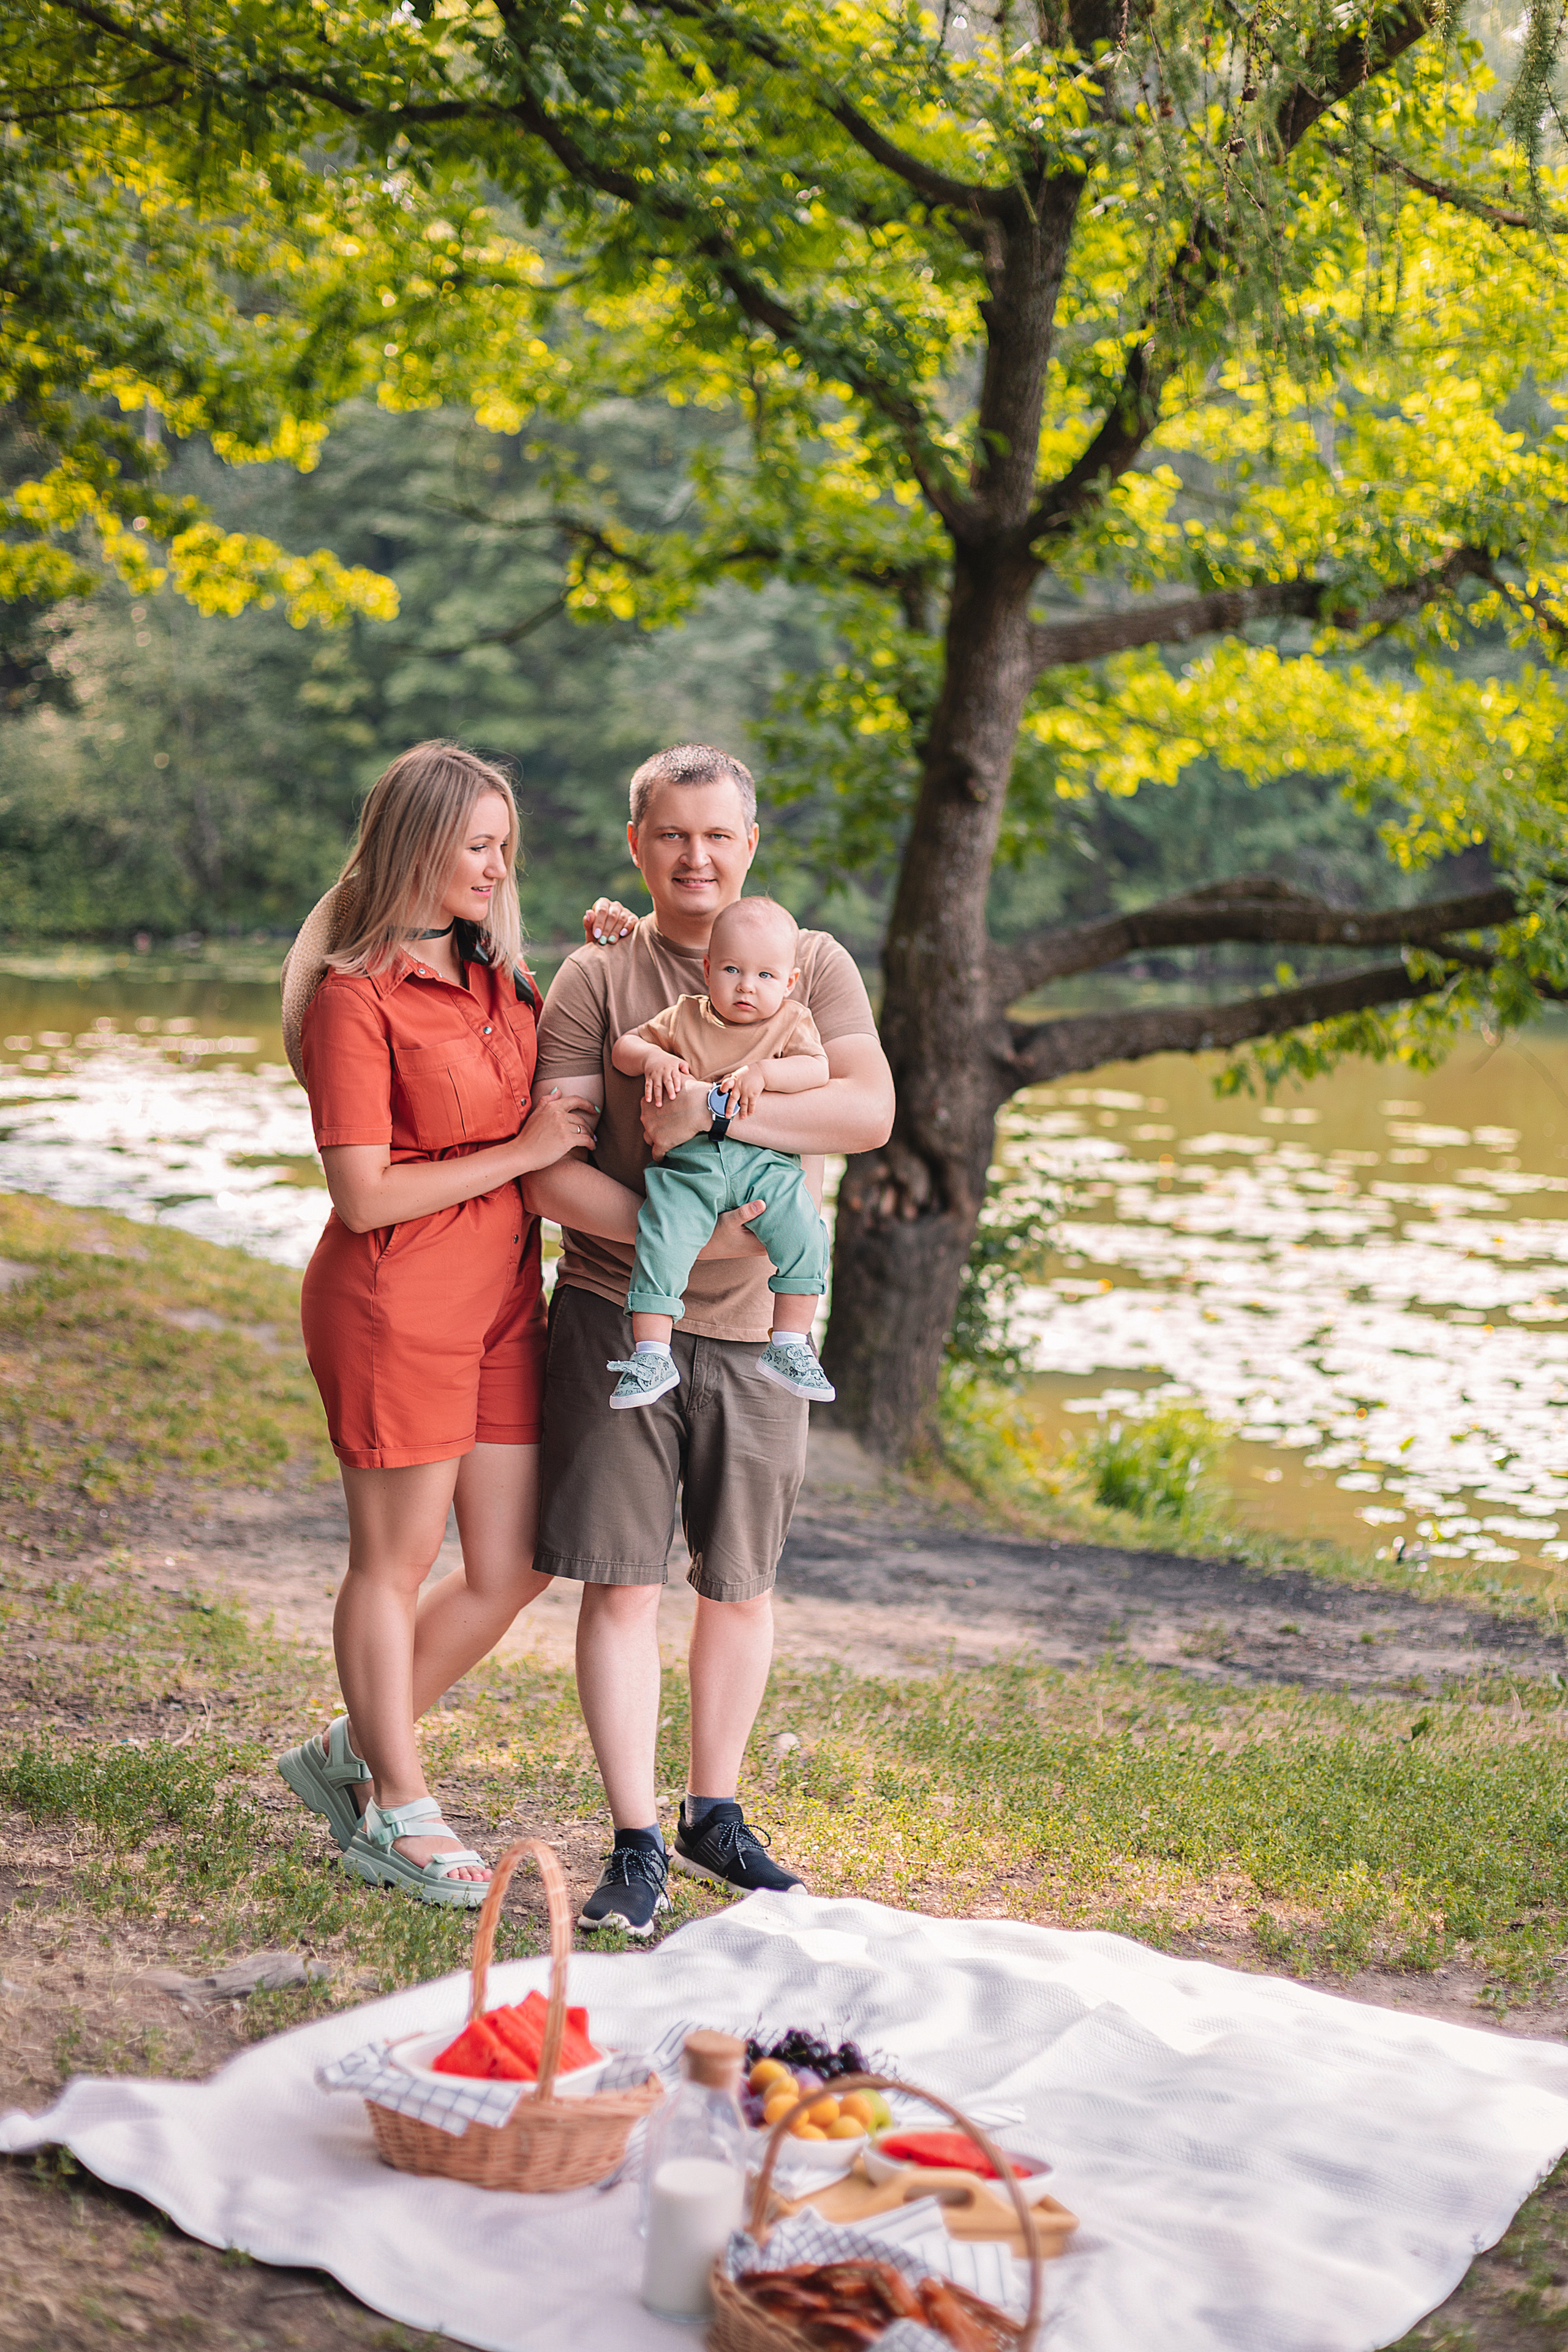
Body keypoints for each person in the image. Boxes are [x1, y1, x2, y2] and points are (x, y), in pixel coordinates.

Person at [524, 743, 895, 1936]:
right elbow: (544, 1170)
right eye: (671, 836)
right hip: (613, 1311)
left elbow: (866, 1111)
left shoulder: (812, 963)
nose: (696, 857)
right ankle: (634, 1842)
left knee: (737, 1584)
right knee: (621, 1584)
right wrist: (666, 1239)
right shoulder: (597, 975)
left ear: (749, 845)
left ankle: (712, 1816)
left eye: (718, 836)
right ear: (636, 844)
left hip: (753, 1333)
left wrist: (731, 1111)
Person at [272, 741, 603, 1905]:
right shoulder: (355, 1002)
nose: (498, 863)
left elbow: (592, 1062)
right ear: (418, 842)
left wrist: (622, 954)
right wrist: (520, 1154)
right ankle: (397, 1812)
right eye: (477, 843)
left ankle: (348, 1750)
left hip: (510, 1300)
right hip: (395, 1300)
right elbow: (362, 1194)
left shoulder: (502, 979)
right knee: (396, 1559)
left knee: (510, 1567)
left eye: (504, 844)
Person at [607, 894, 835, 1410]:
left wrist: (764, 1073)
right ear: (708, 969)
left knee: (806, 1232)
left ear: (790, 982)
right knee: (660, 1236)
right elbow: (625, 1048)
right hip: (690, 1165)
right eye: (732, 969)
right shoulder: (685, 1017)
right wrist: (655, 1059)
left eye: (765, 976)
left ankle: (790, 1344)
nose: (746, 986)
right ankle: (650, 1353)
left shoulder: (791, 1022)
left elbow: (817, 1071)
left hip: (768, 1163)